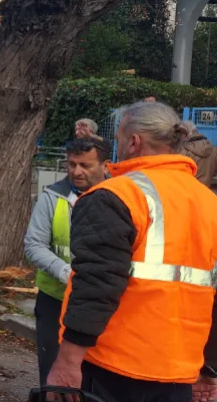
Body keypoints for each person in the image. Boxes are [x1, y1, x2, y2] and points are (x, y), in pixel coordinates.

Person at [46, 101, 217, 402]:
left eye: (120, 138)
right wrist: (209, 367)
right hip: (178, 373)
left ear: (133, 142)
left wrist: (68, 361)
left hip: (115, 368)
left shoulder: (114, 197)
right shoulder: (209, 203)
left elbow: (96, 286)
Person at [24, 136, 109, 386]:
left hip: (100, 305)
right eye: (72, 164)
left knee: (95, 377)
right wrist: (65, 272)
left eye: (85, 165)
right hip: (56, 301)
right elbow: (34, 245)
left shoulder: (118, 198)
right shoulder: (52, 197)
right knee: (53, 375)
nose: (77, 171)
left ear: (105, 165)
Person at [180, 121, 217, 188]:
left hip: (187, 192)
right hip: (206, 191)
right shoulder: (214, 150)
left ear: (184, 134)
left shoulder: (183, 151)